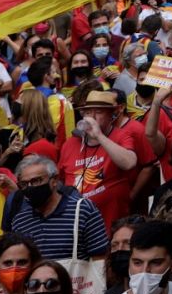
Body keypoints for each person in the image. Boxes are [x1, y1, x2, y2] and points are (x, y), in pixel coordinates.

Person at [59, 90, 155, 234]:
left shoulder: (121, 136)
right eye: (88, 112)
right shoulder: (70, 144)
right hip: (77, 226)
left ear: (112, 115)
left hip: (111, 226)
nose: (92, 117)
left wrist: (98, 135)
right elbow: (61, 182)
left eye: (98, 112)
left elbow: (129, 162)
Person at [2, 154, 111, 261]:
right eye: (24, 184)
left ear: (54, 180)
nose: (30, 187)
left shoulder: (82, 210)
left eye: (36, 181)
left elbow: (100, 260)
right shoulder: (20, 221)